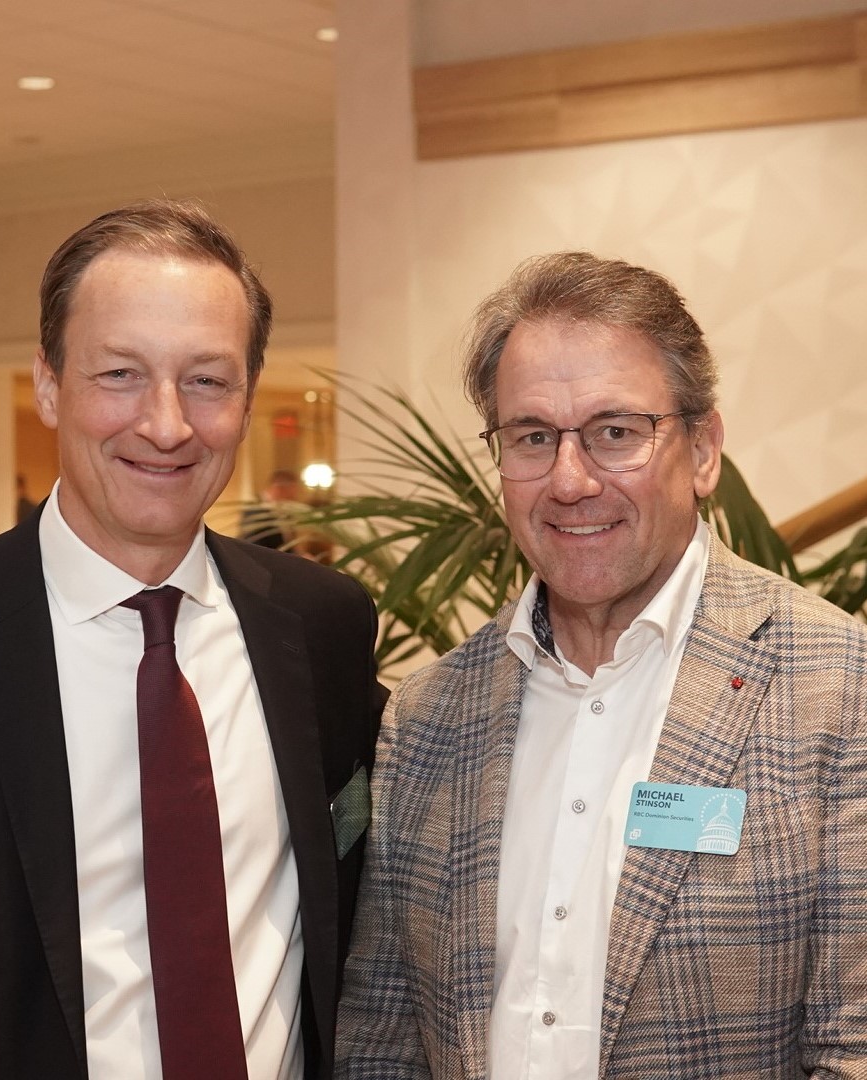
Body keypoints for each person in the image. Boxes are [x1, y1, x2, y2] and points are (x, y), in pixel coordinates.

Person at [0, 199, 384, 1080]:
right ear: (48, 383)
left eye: (207, 380)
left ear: (248, 399)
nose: (167, 424)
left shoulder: (323, 625)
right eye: (120, 374)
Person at [335, 252, 867, 1078]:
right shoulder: (428, 715)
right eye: (532, 437)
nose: (570, 480)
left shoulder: (839, 686)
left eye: (615, 432)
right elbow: (381, 1040)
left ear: (703, 450)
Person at [239, 468, 306, 550]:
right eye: (291, 494)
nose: (294, 497)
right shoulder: (255, 510)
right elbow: (253, 545)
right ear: (280, 489)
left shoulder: (284, 510)